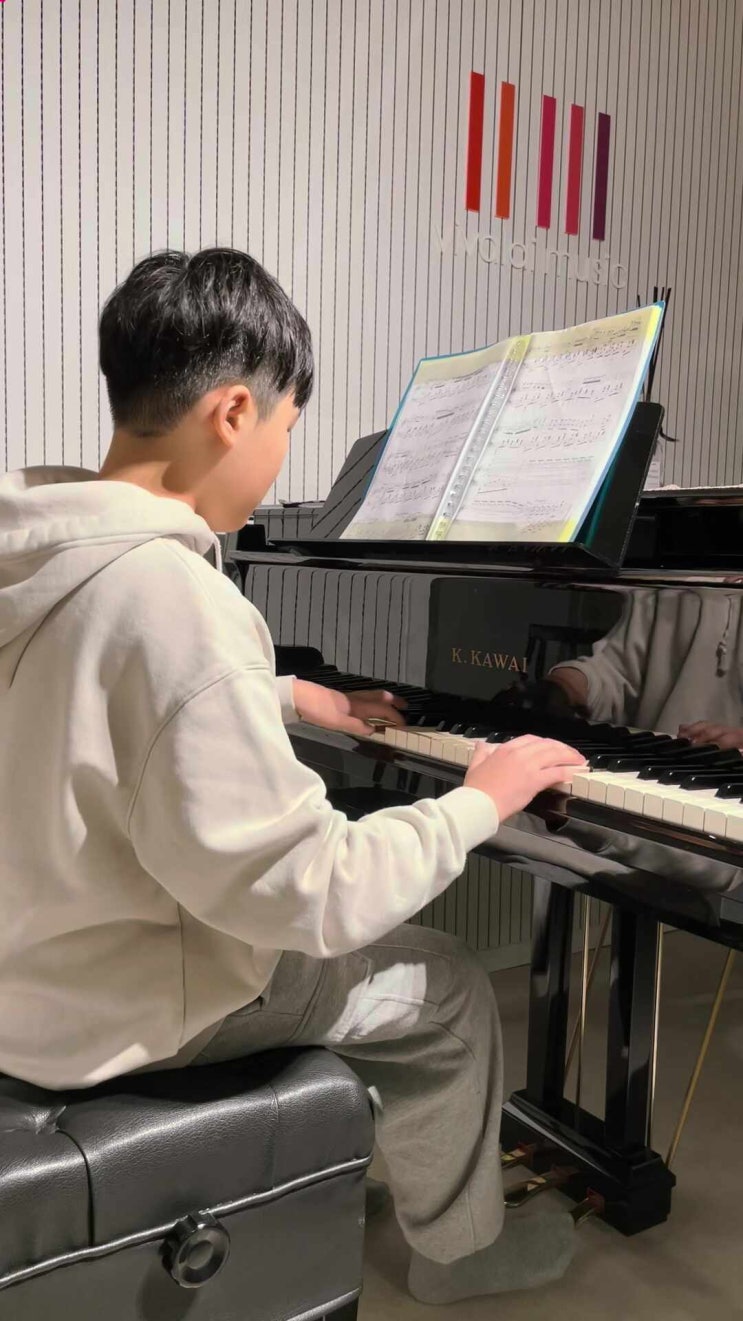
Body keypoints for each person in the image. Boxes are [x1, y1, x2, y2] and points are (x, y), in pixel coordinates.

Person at [0, 249, 585, 1303]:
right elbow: (313, 894)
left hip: (32, 974)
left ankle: (352, 1164)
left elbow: (90, 699)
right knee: (446, 982)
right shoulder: (173, 600)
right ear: (232, 411)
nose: (277, 461)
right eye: (285, 428)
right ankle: (461, 1252)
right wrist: (477, 800)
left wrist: (274, 694)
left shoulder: (40, 555)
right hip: (128, 1007)